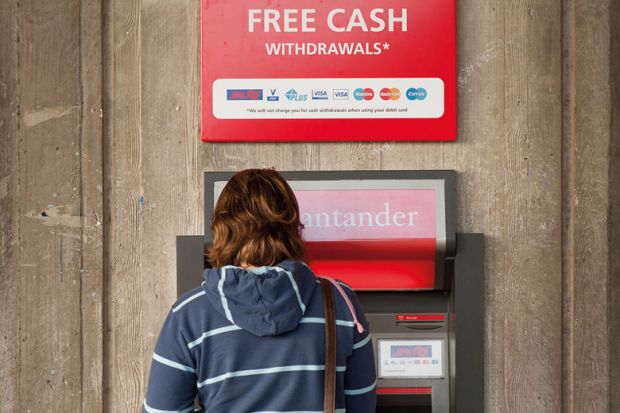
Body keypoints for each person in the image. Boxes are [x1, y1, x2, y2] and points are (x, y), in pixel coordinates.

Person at [143, 168, 376, 412]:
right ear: (292, 227)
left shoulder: (189, 314)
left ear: (223, 229)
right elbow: (362, 404)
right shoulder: (338, 301)